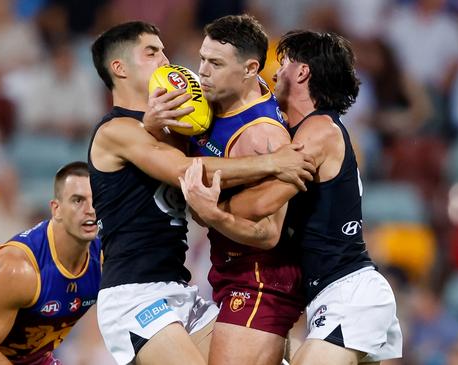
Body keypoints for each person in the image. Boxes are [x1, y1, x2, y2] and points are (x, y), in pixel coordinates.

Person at [88, 21, 314, 365]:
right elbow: (187, 173)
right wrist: (272, 163)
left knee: (277, 354)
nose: (165, 59)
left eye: (164, 50)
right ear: (119, 68)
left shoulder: (171, 127)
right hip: (134, 294)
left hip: (179, 290)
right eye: (151, 52)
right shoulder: (115, 129)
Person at [181, 30, 403, 364]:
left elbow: (261, 205)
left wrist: (210, 208)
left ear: (302, 72)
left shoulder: (318, 131)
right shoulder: (301, 132)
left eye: (282, 63)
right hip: (326, 296)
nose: (274, 71)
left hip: (348, 292)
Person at [182, 15, 304, 365]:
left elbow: (268, 234)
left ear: (251, 68)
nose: (203, 71)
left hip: (260, 277)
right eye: (202, 58)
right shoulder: (205, 103)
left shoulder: (263, 136)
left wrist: (210, 214)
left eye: (216, 63)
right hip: (227, 270)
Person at [0, 161, 101, 365]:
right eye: (78, 200)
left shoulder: (104, 258)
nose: (90, 210)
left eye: (96, 200)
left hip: (33, 359)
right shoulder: (17, 268)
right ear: (56, 209)